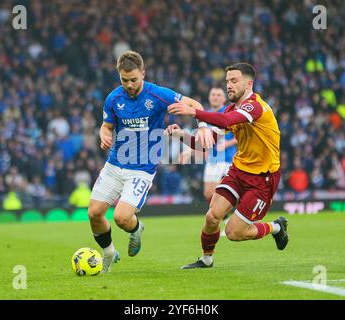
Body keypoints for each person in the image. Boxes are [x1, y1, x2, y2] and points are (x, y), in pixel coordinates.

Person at [88, 51, 214, 273]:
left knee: (121, 217)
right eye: (124, 80)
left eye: (134, 79)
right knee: (94, 213)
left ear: (143, 74)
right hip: (115, 164)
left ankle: (136, 229)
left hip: (142, 169)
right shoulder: (114, 99)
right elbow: (106, 126)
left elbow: (195, 104)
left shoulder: (157, 94)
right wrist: (104, 134)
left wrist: (202, 126)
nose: (129, 84)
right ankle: (109, 253)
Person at [166, 63, 289, 269]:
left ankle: (276, 227)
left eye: (234, 81)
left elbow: (225, 120)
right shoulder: (234, 109)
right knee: (212, 216)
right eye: (227, 82)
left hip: (262, 179)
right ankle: (206, 260)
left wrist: (194, 112)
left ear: (249, 84)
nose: (229, 86)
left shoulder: (255, 106)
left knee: (234, 233)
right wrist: (181, 135)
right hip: (238, 171)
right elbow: (204, 144)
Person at [179, 87, 237, 235]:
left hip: (228, 159)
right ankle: (226, 220)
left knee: (222, 192)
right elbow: (203, 141)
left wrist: (228, 144)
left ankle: (232, 221)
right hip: (213, 159)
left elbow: (242, 134)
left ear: (224, 99)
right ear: (209, 97)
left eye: (219, 95)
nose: (216, 97)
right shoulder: (205, 116)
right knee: (208, 193)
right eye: (213, 94)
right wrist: (189, 152)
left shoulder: (229, 112)